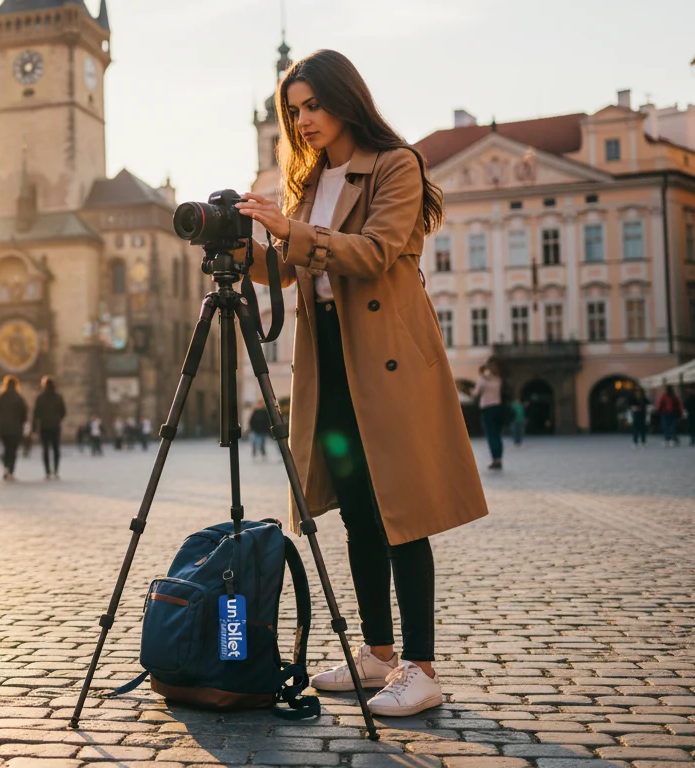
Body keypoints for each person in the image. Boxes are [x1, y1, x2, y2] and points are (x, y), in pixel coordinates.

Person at [236, 50, 489, 717]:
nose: (304, 121)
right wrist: (238, 243)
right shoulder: (310, 177)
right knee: (355, 511)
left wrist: (290, 230)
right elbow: (287, 272)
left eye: (313, 105)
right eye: (294, 111)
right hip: (329, 363)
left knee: (400, 510)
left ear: (348, 100)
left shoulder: (395, 165)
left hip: (387, 362)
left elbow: (375, 252)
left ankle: (421, 667)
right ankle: (377, 654)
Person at [472, 361, 505, 470]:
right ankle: (499, 459)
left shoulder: (483, 380)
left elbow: (476, 393)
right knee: (497, 435)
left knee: (491, 435)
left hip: (487, 408)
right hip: (498, 408)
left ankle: (494, 460)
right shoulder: (498, 380)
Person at [0, 375, 28, 481]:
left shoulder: (1, 397)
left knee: (6, 448)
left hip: (3, 427)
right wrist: (22, 422)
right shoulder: (19, 398)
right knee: (13, 450)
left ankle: (6, 467)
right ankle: (11, 470)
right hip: (15, 428)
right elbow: (24, 413)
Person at [32, 376, 66, 479]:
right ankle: (55, 470)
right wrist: (57, 418)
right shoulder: (58, 397)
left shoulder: (40, 398)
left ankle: (47, 472)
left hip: (44, 426)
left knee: (45, 449)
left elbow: (36, 413)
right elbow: (63, 412)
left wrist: (35, 427)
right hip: (55, 426)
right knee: (56, 449)